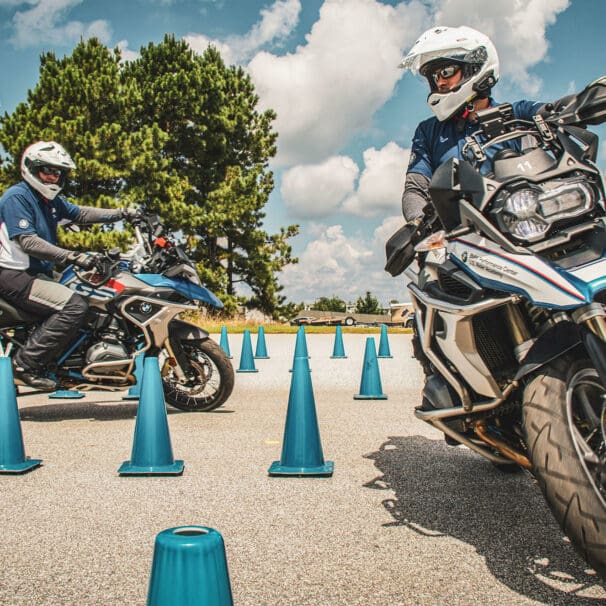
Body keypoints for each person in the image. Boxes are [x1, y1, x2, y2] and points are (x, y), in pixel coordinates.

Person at [0, 140, 138, 390]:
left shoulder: (48, 200)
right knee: (75, 306)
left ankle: (62, 364)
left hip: (36, 272)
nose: (53, 177)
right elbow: (28, 242)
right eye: (47, 170)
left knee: (85, 293)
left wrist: (122, 213)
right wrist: (73, 256)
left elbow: (81, 214)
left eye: (57, 172)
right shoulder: (17, 197)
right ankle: (25, 365)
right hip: (13, 275)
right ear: (31, 168)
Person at [398, 25, 544, 224]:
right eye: (434, 77)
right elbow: (416, 188)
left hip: (522, 219)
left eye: (446, 72)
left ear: (473, 68)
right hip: (461, 235)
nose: (440, 82)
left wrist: (587, 99)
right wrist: (418, 223)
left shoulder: (516, 114)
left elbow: (554, 111)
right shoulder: (428, 131)